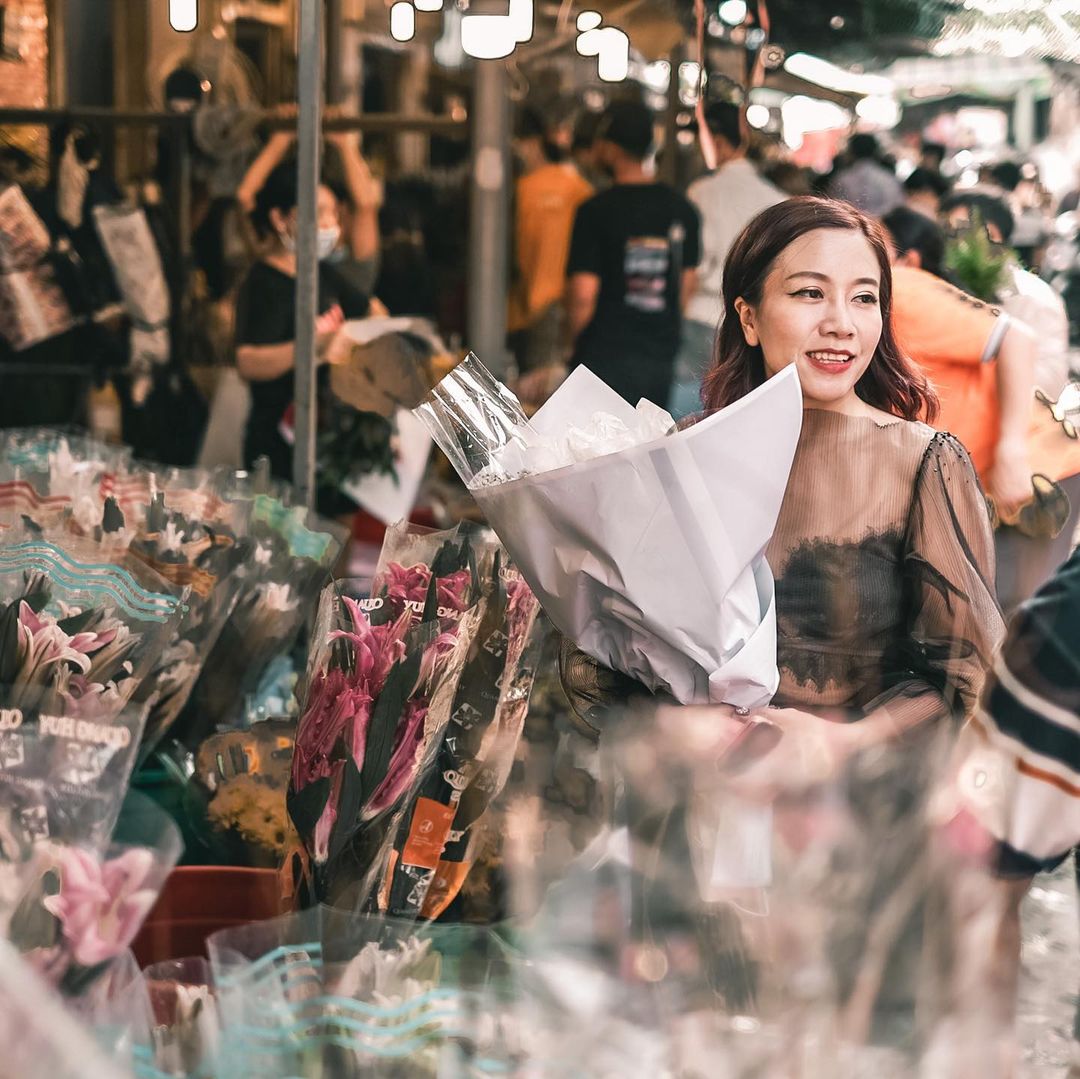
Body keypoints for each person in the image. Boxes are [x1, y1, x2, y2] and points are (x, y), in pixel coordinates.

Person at [562, 196, 1004, 1046]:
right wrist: (663, 714)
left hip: (857, 858)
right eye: (809, 294)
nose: (842, 323)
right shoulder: (682, 457)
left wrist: (840, 741)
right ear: (748, 315)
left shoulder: (922, 464)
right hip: (694, 847)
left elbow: (967, 679)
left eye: (865, 297)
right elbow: (612, 663)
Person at [233, 161, 373, 511]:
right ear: (281, 219)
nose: (330, 224)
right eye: (318, 213)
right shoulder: (263, 283)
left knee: (336, 538)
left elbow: (375, 312)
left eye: (333, 214)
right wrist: (313, 348)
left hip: (328, 440)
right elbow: (248, 361)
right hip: (277, 445)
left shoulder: (324, 273)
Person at [560, 100, 701, 408]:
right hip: (659, 358)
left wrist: (571, 345)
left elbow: (584, 294)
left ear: (610, 148)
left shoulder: (594, 211)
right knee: (645, 449)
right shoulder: (682, 210)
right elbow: (687, 284)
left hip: (602, 357)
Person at [672, 102, 785, 416]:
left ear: (718, 143)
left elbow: (692, 265)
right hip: (754, 320)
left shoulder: (702, 191)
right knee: (739, 409)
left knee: (689, 408)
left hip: (702, 315)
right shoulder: (775, 198)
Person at [941, 189, 1069, 397]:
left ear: (992, 233)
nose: (948, 243)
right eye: (944, 231)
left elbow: (1049, 383)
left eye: (956, 231)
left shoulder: (1034, 299)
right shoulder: (941, 286)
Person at [507, 106, 593, 376]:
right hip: (561, 304)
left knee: (532, 386)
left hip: (536, 307)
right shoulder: (580, 188)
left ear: (529, 142)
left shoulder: (519, 189)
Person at [828, 132, 904, 218]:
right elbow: (897, 207)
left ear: (851, 152)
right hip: (883, 228)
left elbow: (836, 209)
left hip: (851, 227)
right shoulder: (888, 178)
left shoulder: (842, 178)